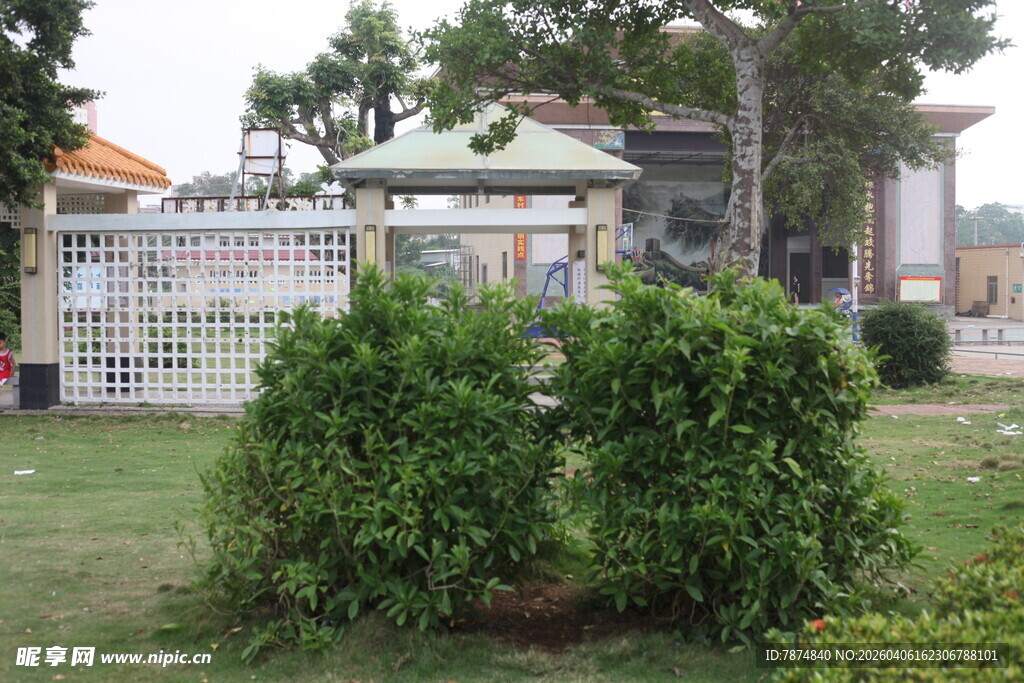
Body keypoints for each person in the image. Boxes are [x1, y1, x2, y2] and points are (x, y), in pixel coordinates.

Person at [0, 332, 14, 413]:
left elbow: (13, 364)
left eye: (0, 343)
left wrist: (12, 371)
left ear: (4, 342)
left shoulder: (8, 352)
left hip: (4, 373)